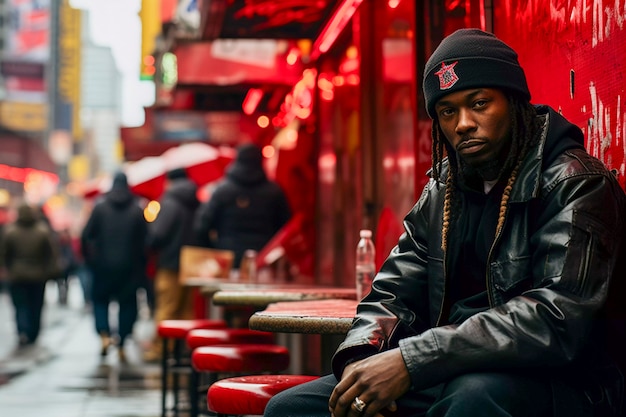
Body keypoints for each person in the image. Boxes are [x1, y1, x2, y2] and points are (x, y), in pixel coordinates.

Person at [264, 28, 626, 417]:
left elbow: (554, 320)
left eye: (480, 103)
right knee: (294, 408)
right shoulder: (443, 191)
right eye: (448, 111)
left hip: (562, 384)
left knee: (473, 397)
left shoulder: (574, 183)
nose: (464, 123)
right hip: (452, 368)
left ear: (514, 101)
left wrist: (412, 360)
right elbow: (392, 291)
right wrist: (361, 358)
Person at [81, 171, 148, 362]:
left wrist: (90, 261)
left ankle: (104, 334)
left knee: (101, 302)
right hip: (129, 268)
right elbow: (145, 241)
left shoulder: (100, 208)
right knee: (127, 305)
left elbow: (86, 236)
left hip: (102, 267)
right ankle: (122, 341)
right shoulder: (137, 210)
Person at [193, 143, 292, 269]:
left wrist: (215, 250)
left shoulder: (222, 191)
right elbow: (285, 227)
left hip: (228, 259)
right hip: (263, 260)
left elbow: (201, 226)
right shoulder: (274, 191)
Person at [142, 168, 201, 362]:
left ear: (170, 181)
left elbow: (158, 235)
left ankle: (162, 349)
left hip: (170, 263)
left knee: (167, 308)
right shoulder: (196, 202)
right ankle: (184, 348)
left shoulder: (169, 202)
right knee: (186, 309)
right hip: (192, 265)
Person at [0, 202, 61, 347]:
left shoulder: (10, 231)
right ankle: (33, 332)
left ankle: (23, 331)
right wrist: (51, 270)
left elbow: (3, 253)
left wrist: (4, 269)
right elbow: (51, 254)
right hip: (38, 275)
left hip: (17, 275)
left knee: (20, 306)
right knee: (36, 305)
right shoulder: (42, 231)